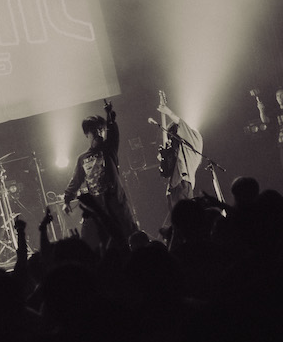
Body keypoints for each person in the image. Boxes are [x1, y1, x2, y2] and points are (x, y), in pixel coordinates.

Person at [62, 100, 138, 251]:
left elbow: (113, 133)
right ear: (87, 134)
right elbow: (76, 180)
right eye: (94, 130)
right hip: (97, 208)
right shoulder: (82, 158)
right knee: (98, 243)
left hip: (117, 204)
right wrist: (67, 199)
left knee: (127, 237)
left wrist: (109, 116)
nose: (98, 132)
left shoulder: (109, 149)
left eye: (101, 129)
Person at [156, 100, 203, 216]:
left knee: (184, 218)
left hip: (182, 183)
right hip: (177, 185)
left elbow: (180, 123)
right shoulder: (185, 148)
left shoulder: (193, 136)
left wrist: (167, 111)